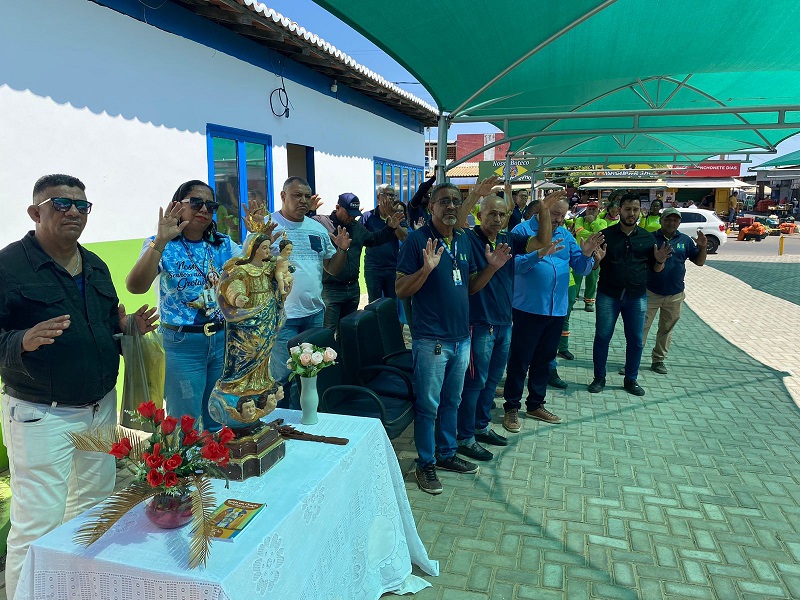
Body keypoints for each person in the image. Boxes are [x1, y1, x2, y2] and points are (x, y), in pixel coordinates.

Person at [0, 174, 157, 599]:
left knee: (92, 504)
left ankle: (71, 588)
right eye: (60, 203)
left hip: (99, 406)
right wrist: (21, 340)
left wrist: (126, 329)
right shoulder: (9, 267)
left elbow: (104, 326)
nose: (73, 211)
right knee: (37, 522)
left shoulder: (96, 266)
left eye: (81, 205)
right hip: (40, 412)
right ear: (36, 212)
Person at [396, 182, 511, 495]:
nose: (450, 206)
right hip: (431, 340)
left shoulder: (461, 239)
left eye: (456, 202)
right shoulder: (417, 241)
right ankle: (425, 462)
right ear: (431, 205)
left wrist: (492, 268)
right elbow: (400, 289)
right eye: (444, 201)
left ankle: (446, 454)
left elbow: (472, 286)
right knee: (428, 406)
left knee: (452, 401)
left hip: (462, 339)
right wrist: (425, 270)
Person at [127, 180, 240, 430]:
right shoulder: (160, 243)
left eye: (210, 205)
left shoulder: (223, 244)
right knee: (184, 422)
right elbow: (135, 286)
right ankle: (186, 467)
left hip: (221, 340)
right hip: (181, 346)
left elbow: (250, 270)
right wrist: (161, 240)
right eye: (196, 203)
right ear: (178, 206)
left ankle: (216, 467)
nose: (204, 210)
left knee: (218, 415)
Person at [502, 197, 605, 434]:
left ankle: (536, 404)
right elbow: (513, 266)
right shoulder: (522, 230)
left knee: (545, 359)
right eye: (554, 213)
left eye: (562, 215)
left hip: (556, 309)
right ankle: (511, 407)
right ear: (541, 210)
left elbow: (579, 267)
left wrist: (588, 255)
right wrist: (537, 254)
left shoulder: (565, 235)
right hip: (528, 307)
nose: (558, 219)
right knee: (520, 360)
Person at [267, 177, 351, 401]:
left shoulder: (317, 229)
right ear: (283, 196)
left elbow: (332, 268)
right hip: (281, 315)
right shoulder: (268, 226)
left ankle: (304, 422)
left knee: (309, 373)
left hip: (313, 313)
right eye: (297, 195)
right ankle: (280, 423)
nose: (303, 201)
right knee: (282, 375)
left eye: (307, 196)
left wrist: (342, 250)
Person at [588, 194, 672, 397]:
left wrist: (660, 261)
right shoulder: (605, 235)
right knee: (602, 337)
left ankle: (631, 379)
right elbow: (593, 266)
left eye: (635, 209)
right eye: (627, 209)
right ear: (619, 210)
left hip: (636, 297)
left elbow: (656, 270)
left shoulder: (647, 238)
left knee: (635, 340)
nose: (631, 213)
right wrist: (596, 259)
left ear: (640, 211)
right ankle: (599, 377)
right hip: (609, 294)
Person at [208, 228, 287, 429]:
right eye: (264, 248)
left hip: (267, 313)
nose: (268, 251)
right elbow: (231, 285)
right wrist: (238, 297)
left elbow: (282, 270)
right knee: (247, 351)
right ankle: (238, 383)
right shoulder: (242, 269)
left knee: (264, 351)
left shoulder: (268, 268)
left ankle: (258, 381)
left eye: (269, 247)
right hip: (248, 318)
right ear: (253, 249)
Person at [313, 192, 401, 333]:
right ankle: (329, 356)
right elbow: (305, 226)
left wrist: (390, 228)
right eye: (349, 213)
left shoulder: (356, 227)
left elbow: (373, 239)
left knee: (348, 330)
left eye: (354, 214)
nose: (352, 217)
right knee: (328, 331)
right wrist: (310, 210)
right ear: (337, 207)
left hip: (352, 289)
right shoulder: (322, 223)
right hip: (331, 290)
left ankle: (345, 356)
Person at [641, 208, 707, 374]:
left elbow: (699, 262)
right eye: (668, 219)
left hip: (675, 294)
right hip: (651, 292)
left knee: (666, 329)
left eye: (675, 220)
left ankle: (658, 360)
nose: (671, 223)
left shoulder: (684, 240)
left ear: (679, 222)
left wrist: (703, 247)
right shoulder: (651, 239)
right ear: (661, 220)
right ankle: (633, 360)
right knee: (640, 328)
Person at [568, 201, 607, 312]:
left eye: (594, 209)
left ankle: (589, 302)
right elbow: (579, 232)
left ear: (598, 211)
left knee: (592, 278)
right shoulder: (580, 220)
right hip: (579, 253)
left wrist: (593, 223)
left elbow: (602, 233)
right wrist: (594, 234)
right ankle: (572, 301)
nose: (591, 211)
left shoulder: (602, 221)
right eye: (589, 209)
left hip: (596, 253)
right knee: (576, 277)